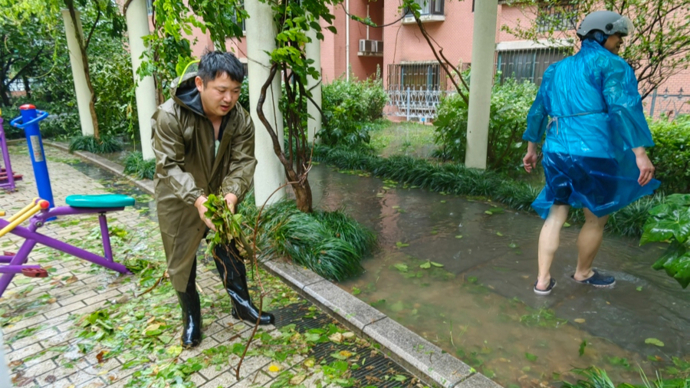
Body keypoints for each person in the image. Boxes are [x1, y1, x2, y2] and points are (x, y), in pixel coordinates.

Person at [522, 11, 660, 296]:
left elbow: (538, 111)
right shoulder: (612, 64)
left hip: (557, 151)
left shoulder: (555, 70)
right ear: (602, 34)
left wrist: (532, 148)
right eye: (618, 35)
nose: (621, 41)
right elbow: (622, 107)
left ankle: (542, 282)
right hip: (594, 152)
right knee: (595, 217)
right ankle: (582, 272)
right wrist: (639, 153)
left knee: (556, 213)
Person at [152, 51, 274, 348]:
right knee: (181, 259)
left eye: (235, 91)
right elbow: (169, 166)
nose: (228, 98)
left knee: (229, 247)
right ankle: (191, 317)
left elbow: (244, 162)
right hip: (178, 198)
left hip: (220, 194)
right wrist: (197, 198)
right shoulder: (169, 115)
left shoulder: (241, 119)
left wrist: (231, 194)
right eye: (221, 90)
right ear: (200, 83)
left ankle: (241, 304)